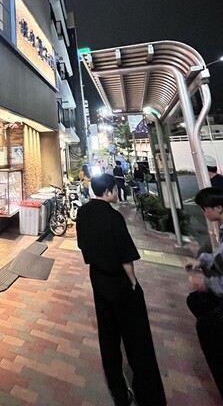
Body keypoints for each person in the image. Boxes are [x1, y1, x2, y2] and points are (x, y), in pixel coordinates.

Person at [76, 173, 166, 406]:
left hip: (98, 278)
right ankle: (149, 396)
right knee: (137, 339)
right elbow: (125, 256)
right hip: (119, 282)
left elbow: (82, 245)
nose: (117, 193)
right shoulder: (114, 217)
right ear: (107, 191)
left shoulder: (82, 213)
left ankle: (118, 392)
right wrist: (133, 280)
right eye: (115, 190)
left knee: (107, 336)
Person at [186, 188, 223, 405]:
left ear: (218, 208)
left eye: (205, 208)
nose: (203, 212)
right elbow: (219, 257)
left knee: (208, 328)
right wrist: (201, 262)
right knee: (196, 301)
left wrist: (207, 283)